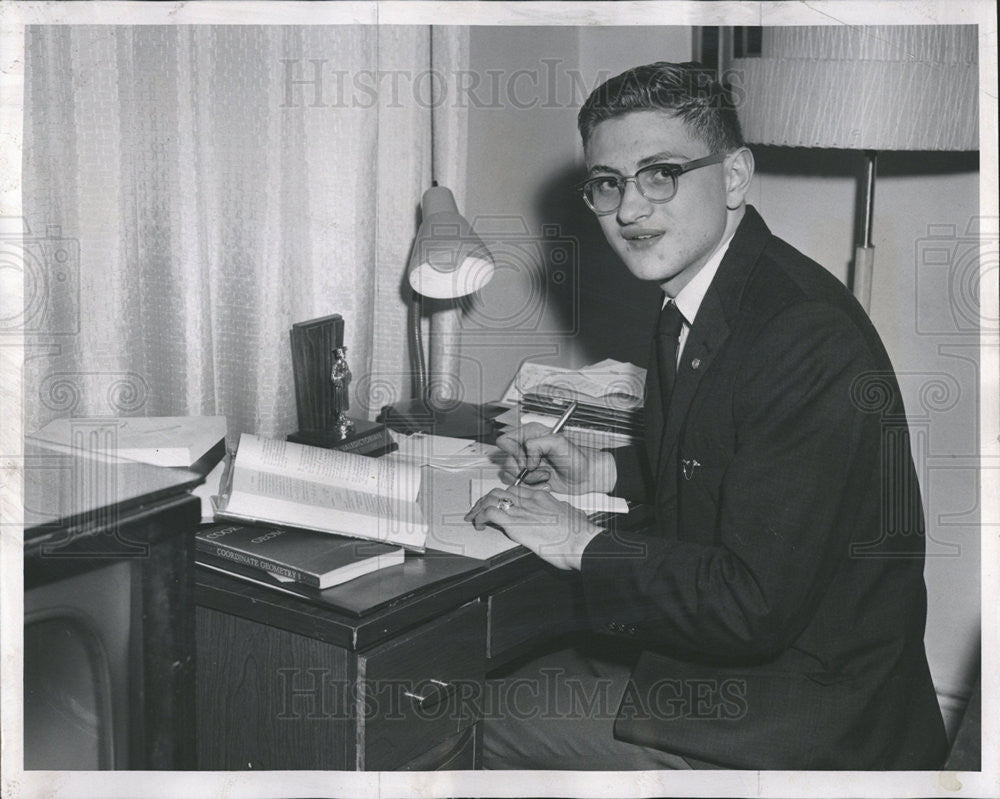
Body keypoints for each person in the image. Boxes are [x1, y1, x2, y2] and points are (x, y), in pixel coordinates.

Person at [466, 62, 948, 770]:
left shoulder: (802, 333)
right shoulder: (708, 294)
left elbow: (750, 605)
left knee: (482, 711)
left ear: (733, 178)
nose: (630, 210)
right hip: (770, 665)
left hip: (812, 714)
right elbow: (729, 459)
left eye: (659, 173)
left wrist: (579, 541)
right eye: (608, 183)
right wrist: (606, 468)